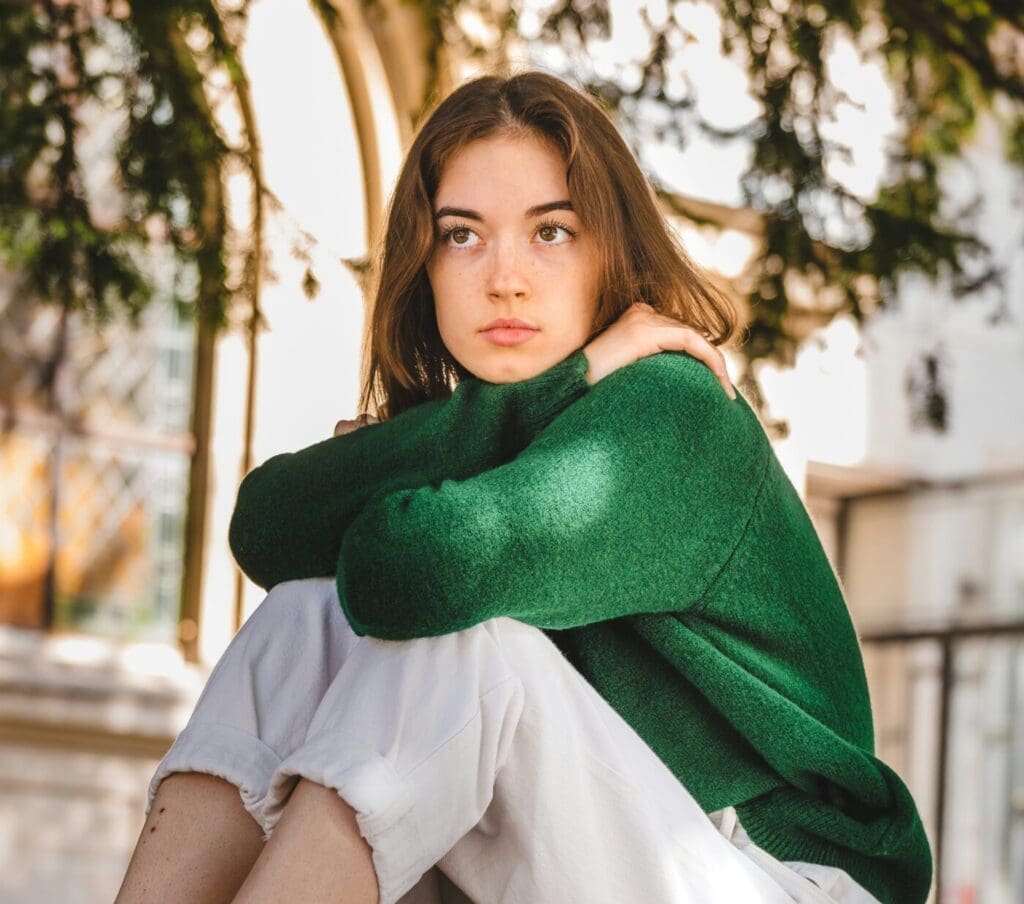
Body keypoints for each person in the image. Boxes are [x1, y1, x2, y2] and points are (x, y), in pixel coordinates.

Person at [115, 68, 931, 904]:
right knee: (305, 615)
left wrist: (508, 415)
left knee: (463, 646)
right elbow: (266, 528)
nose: (505, 277)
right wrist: (554, 387)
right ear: (423, 265)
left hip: (779, 872)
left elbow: (410, 573)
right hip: (619, 838)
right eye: (462, 236)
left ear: (611, 247)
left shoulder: (670, 411)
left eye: (552, 233)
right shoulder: (500, 417)